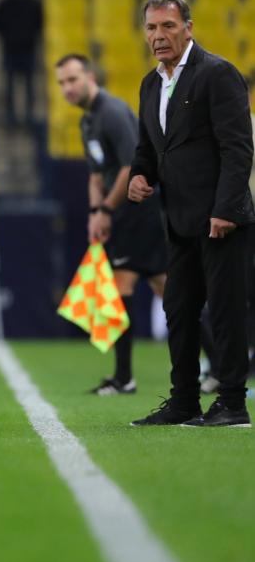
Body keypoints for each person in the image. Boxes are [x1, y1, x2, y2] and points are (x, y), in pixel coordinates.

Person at [128, 0, 254, 427]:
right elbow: (148, 149)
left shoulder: (217, 74)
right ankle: (184, 401)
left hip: (221, 221)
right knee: (178, 312)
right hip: (178, 221)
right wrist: (139, 176)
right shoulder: (149, 84)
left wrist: (227, 209)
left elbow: (238, 149)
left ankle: (233, 403)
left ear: (189, 28)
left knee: (225, 310)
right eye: (151, 28)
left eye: (168, 26)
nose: (158, 36)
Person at [55, 54, 168, 395]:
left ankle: (124, 377)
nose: (67, 88)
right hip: (119, 213)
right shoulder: (88, 121)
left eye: (72, 79)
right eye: (61, 83)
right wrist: (95, 213)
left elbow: (128, 168)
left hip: (138, 210)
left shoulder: (112, 112)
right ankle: (217, 368)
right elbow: (95, 175)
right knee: (166, 289)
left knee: (128, 288)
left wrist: (105, 209)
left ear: (90, 76)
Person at [0, 0, 43, 127]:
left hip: (28, 50)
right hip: (10, 50)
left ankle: (29, 116)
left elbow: (39, 24)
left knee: (29, 86)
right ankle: (11, 117)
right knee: (10, 86)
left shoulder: (33, 3)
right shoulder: (4, 3)